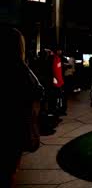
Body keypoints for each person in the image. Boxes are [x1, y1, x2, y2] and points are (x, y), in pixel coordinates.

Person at [0, 26, 43, 187]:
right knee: (8, 170)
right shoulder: (19, 68)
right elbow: (37, 91)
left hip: (12, 125)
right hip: (13, 126)